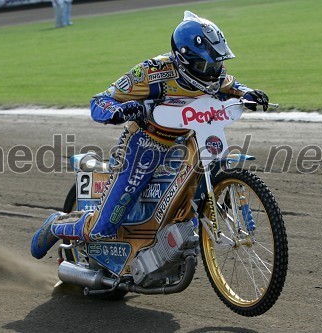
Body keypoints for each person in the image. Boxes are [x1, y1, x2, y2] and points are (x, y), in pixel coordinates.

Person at [31, 11, 269, 259]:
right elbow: (100, 101)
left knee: (206, 170)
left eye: (217, 63)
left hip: (188, 139)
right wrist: (120, 110)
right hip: (144, 144)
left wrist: (249, 93)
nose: (214, 72)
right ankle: (57, 224)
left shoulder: (214, 73)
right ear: (183, 59)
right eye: (206, 66)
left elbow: (230, 86)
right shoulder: (151, 72)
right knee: (103, 228)